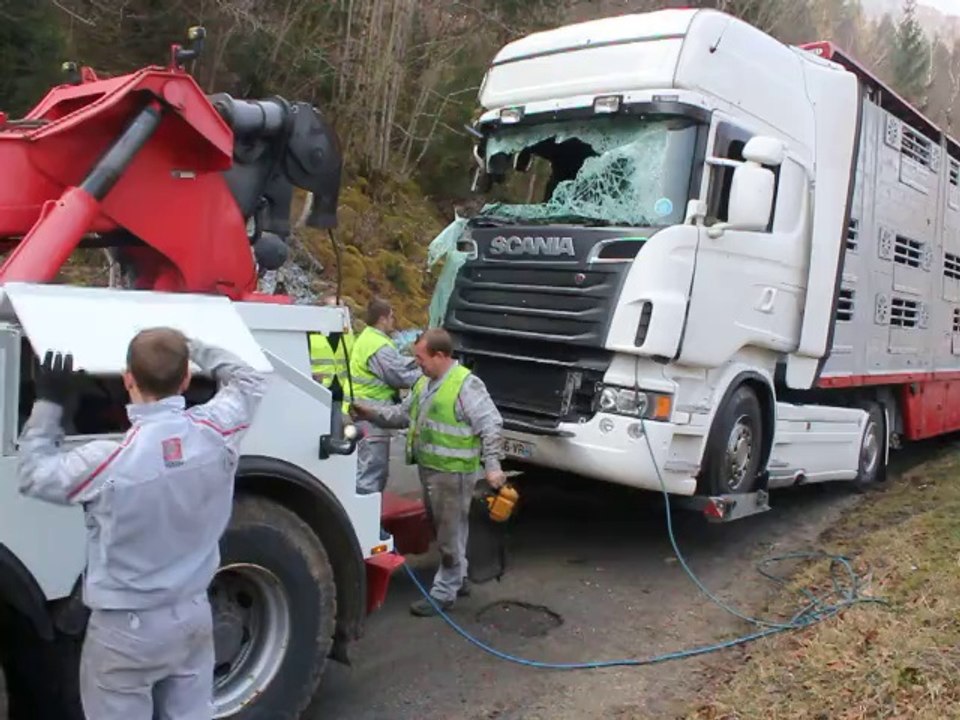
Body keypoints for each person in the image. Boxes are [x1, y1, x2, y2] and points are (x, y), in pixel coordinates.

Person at [16, 328, 267, 719]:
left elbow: (33, 474)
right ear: (186, 379)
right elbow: (250, 378)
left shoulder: (108, 461)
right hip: (193, 614)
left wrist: (49, 402)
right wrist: (190, 343)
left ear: (127, 378)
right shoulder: (217, 431)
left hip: (126, 631)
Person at [351, 328, 505, 616]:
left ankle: (444, 592)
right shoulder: (425, 383)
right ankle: (457, 579)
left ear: (441, 355)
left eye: (420, 358)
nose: (416, 364)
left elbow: (491, 425)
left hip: (454, 473)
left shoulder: (465, 385)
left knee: (447, 535)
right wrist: (369, 412)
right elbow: (401, 415)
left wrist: (493, 467)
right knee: (445, 530)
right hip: (431, 471)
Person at [349, 297, 421, 494]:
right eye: (391, 316)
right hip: (372, 412)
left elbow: (396, 364)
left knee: (362, 467)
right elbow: (397, 376)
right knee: (372, 471)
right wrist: (427, 375)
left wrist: (415, 361)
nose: (394, 320)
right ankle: (366, 520)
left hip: (362, 409)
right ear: (382, 319)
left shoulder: (367, 338)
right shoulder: (379, 346)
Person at [309, 294, 355, 389]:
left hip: (343, 392)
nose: (338, 314)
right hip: (318, 389)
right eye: (334, 309)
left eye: (341, 310)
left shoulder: (348, 336)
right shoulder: (310, 335)